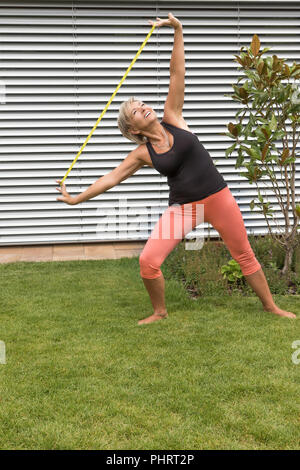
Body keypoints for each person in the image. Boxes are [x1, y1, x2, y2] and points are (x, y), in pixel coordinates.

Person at [56, 13, 296, 323]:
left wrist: (178, 31)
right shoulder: (142, 152)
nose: (143, 106)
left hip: (219, 198)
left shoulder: (173, 117)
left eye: (140, 102)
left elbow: (176, 74)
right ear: (134, 129)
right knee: (148, 261)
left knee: (244, 254)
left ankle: (271, 307)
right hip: (185, 208)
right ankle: (160, 312)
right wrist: (76, 199)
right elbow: (111, 178)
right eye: (135, 111)